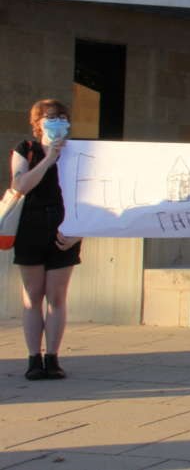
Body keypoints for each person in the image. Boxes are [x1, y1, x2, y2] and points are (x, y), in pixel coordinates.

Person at [10, 99, 82, 380]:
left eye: (63, 116)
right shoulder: (25, 150)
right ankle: (33, 357)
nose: (58, 121)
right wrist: (50, 158)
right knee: (32, 297)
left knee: (56, 296)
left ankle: (52, 357)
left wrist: (79, 231)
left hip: (64, 230)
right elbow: (20, 186)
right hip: (31, 227)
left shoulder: (77, 152)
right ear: (37, 122)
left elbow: (88, 198)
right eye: (51, 117)